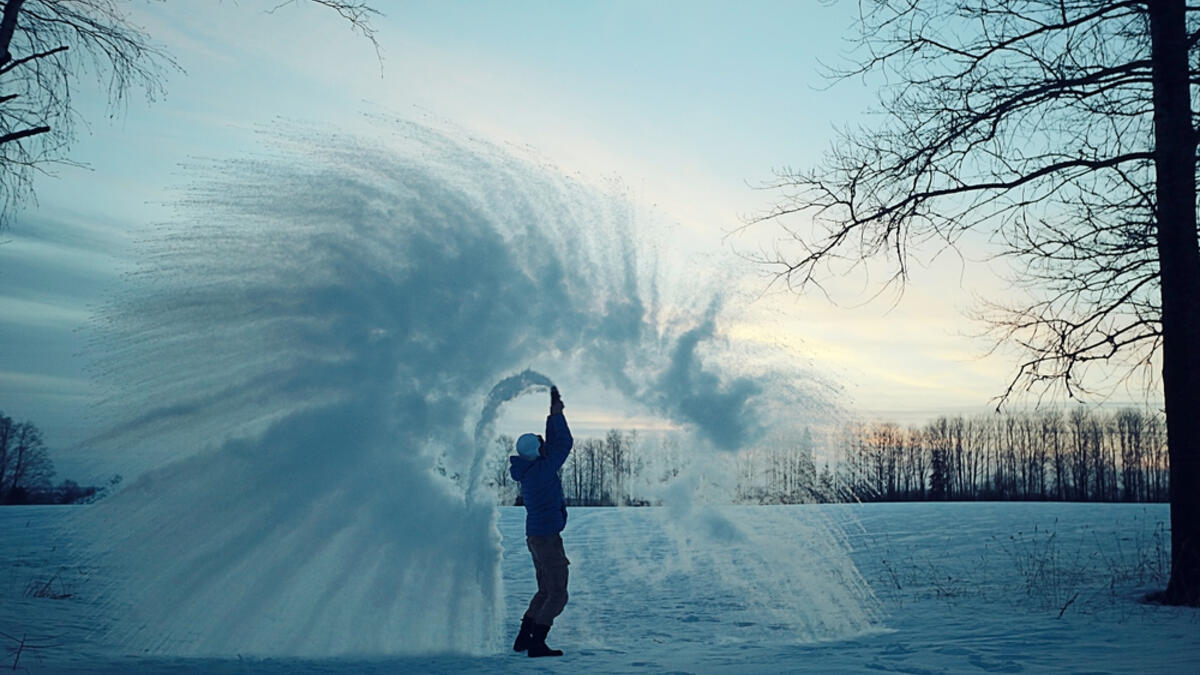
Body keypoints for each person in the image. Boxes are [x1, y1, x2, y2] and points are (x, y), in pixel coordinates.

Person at [509, 385, 573, 658]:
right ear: (537, 452)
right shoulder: (542, 471)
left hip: (536, 537)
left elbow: (550, 446)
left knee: (545, 590)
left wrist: (552, 416)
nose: (544, 445)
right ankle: (536, 643)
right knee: (557, 593)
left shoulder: (530, 469)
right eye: (540, 444)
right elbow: (563, 444)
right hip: (546, 539)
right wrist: (557, 416)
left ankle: (524, 638)